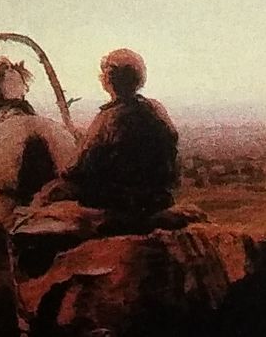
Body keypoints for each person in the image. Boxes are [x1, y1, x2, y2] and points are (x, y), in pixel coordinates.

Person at [38, 48, 179, 219]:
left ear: (108, 80)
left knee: (47, 195)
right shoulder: (155, 109)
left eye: (105, 73)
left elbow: (79, 168)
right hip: (159, 198)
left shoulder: (110, 116)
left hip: (117, 201)